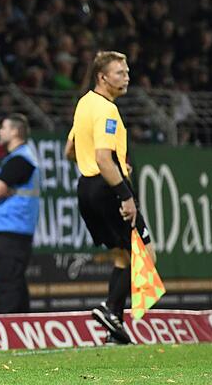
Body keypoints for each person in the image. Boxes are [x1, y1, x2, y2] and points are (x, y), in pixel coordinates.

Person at [64, 50, 156, 345]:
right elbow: (104, 159)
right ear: (103, 77)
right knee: (145, 255)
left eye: (127, 71)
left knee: (121, 255)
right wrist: (125, 195)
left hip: (86, 188)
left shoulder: (84, 104)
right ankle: (109, 309)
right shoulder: (107, 110)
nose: (126, 77)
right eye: (120, 72)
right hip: (108, 189)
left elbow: (70, 150)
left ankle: (114, 328)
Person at [0, 114, 39, 313]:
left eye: (3, 127)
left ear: (14, 132)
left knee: (8, 285)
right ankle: (21, 332)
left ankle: (5, 335)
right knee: (16, 284)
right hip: (14, 228)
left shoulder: (20, 160)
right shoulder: (16, 158)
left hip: (13, 228)